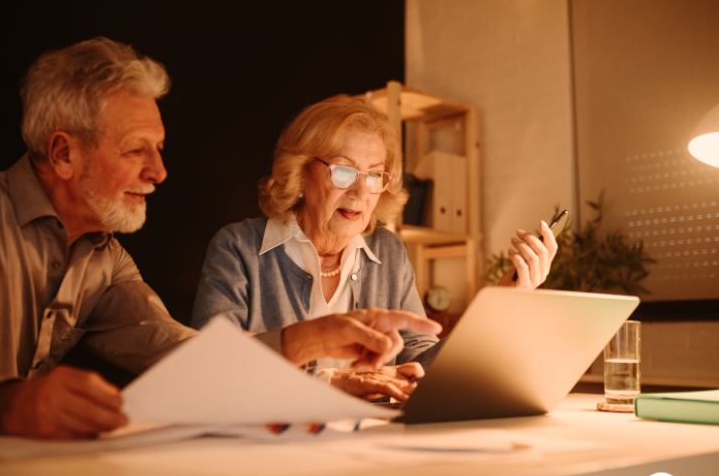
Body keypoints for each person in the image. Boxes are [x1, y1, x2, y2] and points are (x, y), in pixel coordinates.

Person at [0, 39, 440, 476]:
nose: (159, 172)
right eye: (136, 150)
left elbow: (187, 358)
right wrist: (8, 403)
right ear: (64, 153)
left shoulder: (105, 260)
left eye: (160, 148)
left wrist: (307, 339)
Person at [192, 95, 558, 401]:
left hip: (367, 446)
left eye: (373, 175)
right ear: (301, 172)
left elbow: (421, 367)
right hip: (269, 446)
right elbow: (211, 367)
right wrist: (333, 382)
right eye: (343, 171)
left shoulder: (388, 253)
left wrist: (501, 303)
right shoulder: (238, 248)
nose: (360, 192)